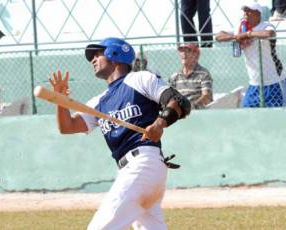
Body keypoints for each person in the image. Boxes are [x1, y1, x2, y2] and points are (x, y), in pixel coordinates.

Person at [48, 37, 191, 230]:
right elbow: (68, 126)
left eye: (97, 54)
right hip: (134, 171)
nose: (92, 59)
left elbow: (179, 102)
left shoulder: (139, 78)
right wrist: (61, 100)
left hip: (143, 164)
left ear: (114, 55)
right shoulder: (99, 101)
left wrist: (160, 123)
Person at [215, 2, 286, 108]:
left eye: (249, 11)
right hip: (255, 84)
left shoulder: (266, 25)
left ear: (258, 14)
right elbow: (218, 36)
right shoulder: (240, 28)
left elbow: (269, 33)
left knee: (276, 117)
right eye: (244, 10)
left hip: (274, 82)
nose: (246, 13)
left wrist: (248, 34)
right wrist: (236, 37)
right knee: (248, 114)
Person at [169, 43, 213, 109]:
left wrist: (191, 107)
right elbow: (171, 96)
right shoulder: (175, 76)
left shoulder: (203, 74)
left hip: (199, 114)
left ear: (196, 55)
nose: (183, 53)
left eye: (188, 51)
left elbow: (206, 96)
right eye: (182, 51)